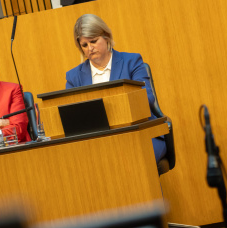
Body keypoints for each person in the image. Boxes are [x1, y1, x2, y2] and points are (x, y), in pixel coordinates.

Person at [64, 14, 167, 163]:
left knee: (130, 161)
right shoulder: (74, 77)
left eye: (93, 41)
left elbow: (146, 98)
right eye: (84, 45)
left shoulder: (131, 62)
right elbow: (72, 117)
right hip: (99, 143)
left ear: (106, 36)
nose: (90, 48)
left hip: (140, 134)